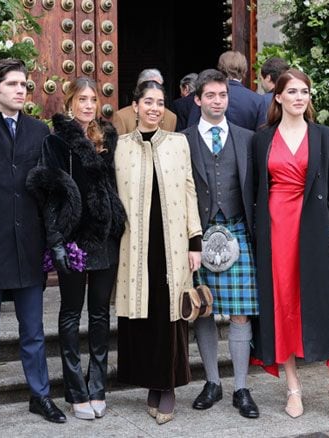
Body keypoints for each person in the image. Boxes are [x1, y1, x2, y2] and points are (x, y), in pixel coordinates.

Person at [0, 58, 65, 434]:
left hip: (28, 242)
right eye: (13, 84)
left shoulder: (39, 131)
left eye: (25, 84)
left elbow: (48, 188)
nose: (21, 90)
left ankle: (40, 395)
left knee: (33, 328)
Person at [251, 69, 329, 421]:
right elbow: (255, 191)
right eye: (292, 91)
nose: (299, 97)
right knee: (283, 306)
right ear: (277, 97)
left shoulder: (325, 136)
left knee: (327, 306)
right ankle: (293, 388)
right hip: (274, 231)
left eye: (305, 91)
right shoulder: (261, 139)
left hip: (312, 228)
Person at [26, 77, 125, 420]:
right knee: (71, 313)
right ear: (69, 103)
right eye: (81, 99)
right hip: (73, 241)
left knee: (100, 314)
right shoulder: (55, 141)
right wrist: (56, 242)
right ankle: (75, 390)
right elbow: (50, 195)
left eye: (92, 99)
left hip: (105, 239)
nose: (87, 105)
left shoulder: (107, 136)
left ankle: (97, 385)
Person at [114, 80, 202, 425]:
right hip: (135, 245)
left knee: (171, 316)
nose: (154, 108)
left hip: (173, 244)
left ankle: (167, 386)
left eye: (160, 103)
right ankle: (151, 381)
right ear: (134, 106)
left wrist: (195, 241)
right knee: (144, 315)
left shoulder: (178, 143)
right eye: (147, 101)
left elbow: (190, 190)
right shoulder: (120, 146)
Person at [183, 69, 259, 419]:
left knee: (241, 313)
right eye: (210, 95)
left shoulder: (247, 139)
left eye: (222, 95)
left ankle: (241, 388)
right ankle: (212, 382)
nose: (217, 101)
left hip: (238, 231)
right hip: (198, 237)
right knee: (204, 309)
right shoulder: (180, 140)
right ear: (197, 99)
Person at [112, 68, 177, 134]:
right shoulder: (122, 117)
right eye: (148, 102)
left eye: (158, 86)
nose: (155, 108)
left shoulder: (171, 118)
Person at [258, 57, 289, 124]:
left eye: (261, 79)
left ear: (268, 78)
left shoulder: (263, 101)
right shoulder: (294, 97)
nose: (261, 83)